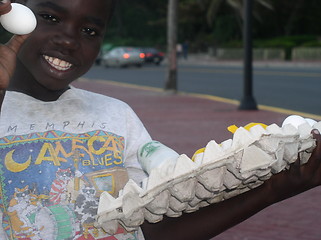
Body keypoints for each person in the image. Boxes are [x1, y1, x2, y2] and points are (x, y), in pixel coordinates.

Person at [0, 1, 321, 240]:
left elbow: (147, 230)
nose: (69, 40)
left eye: (89, 31)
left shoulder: (116, 115)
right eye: (50, 17)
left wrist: (271, 190)